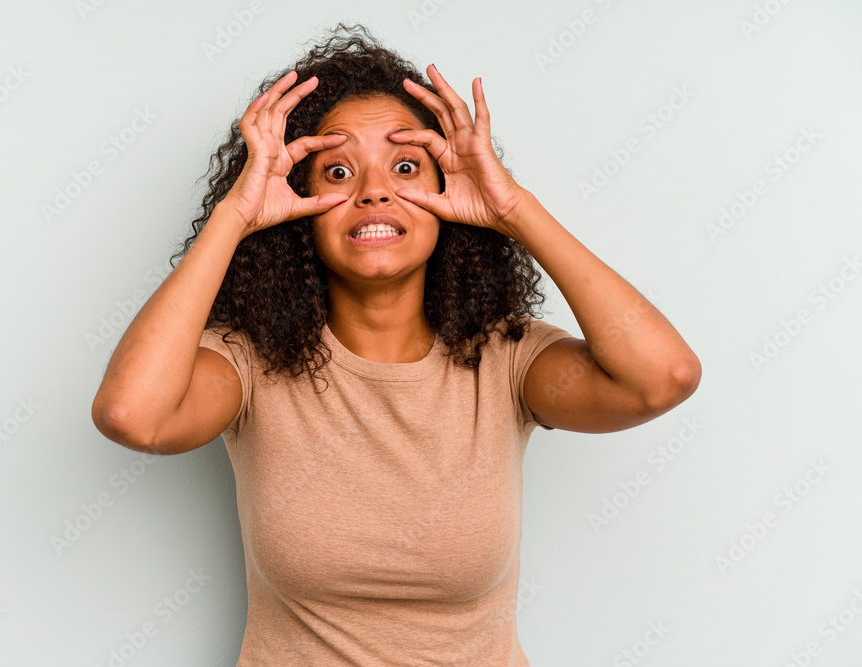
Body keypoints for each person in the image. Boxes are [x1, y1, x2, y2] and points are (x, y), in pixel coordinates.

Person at [91, 22, 700, 667]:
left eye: (405, 167)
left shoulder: (507, 358)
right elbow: (133, 415)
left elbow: (663, 377)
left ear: (445, 193)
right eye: (338, 171)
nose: (374, 191)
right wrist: (234, 217)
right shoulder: (250, 362)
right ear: (295, 198)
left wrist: (512, 208)